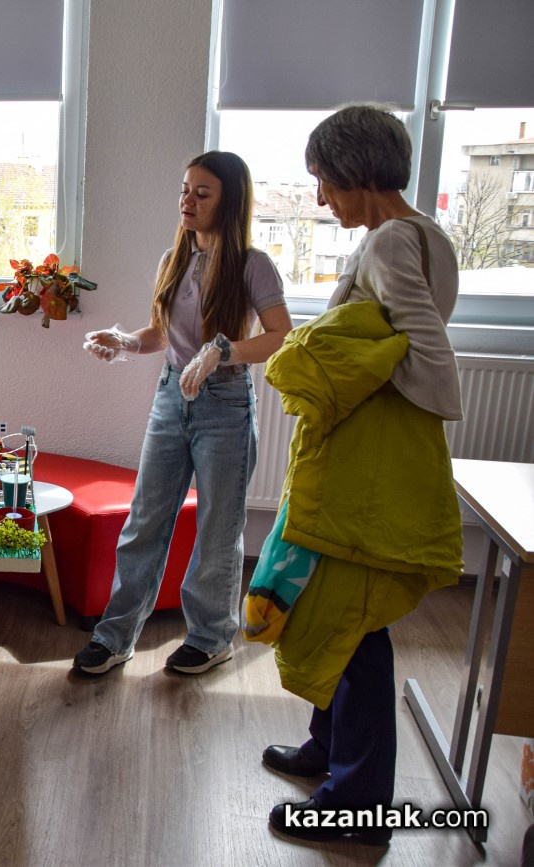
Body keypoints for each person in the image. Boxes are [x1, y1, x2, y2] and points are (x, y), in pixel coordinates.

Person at [260, 104, 464, 846]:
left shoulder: (388, 241)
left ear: (355, 171)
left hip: (369, 465)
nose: (321, 198)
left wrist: (379, 397)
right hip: (372, 459)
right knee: (338, 609)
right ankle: (328, 747)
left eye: (324, 180)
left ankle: (358, 802)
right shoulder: (429, 235)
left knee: (356, 624)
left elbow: (427, 353)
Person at [72, 150, 293, 676]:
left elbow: (281, 336)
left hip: (226, 404)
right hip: (171, 397)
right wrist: (124, 341)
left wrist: (224, 351)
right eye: (184, 190)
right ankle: (115, 636)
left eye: (202, 193)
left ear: (229, 201)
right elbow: (160, 333)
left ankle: (211, 638)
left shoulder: (253, 265)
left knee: (218, 529)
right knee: (145, 520)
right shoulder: (173, 259)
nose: (187, 201)